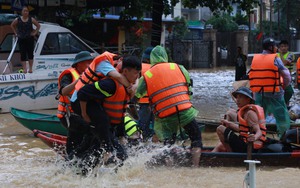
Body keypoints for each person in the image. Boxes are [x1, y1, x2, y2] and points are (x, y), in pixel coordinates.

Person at [134, 45, 202, 167]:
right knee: (196, 138)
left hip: (165, 114)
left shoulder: (147, 75)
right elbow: (188, 87)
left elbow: (138, 93)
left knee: (168, 143)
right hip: (184, 110)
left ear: (151, 59)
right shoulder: (178, 67)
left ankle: (170, 169)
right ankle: (195, 167)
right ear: (165, 56)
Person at [76, 55, 141, 172]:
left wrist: (122, 136)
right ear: (125, 71)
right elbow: (82, 93)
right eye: (136, 73)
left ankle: (79, 174)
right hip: (99, 125)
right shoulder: (110, 84)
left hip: (108, 128)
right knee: (120, 156)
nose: (137, 77)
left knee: (91, 156)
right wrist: (84, 114)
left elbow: (121, 113)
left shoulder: (127, 87)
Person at [249, 37, 291, 138]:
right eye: (275, 46)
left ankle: (260, 137)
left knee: (260, 116)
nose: (276, 48)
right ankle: (284, 138)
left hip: (259, 94)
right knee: (282, 118)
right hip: (275, 93)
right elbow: (286, 76)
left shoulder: (255, 58)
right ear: (271, 47)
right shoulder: (275, 58)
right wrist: (285, 86)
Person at [56, 51, 94, 156]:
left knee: (77, 138)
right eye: (88, 63)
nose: (90, 65)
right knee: (89, 131)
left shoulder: (91, 75)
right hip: (69, 115)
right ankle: (77, 156)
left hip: (81, 114)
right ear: (79, 64)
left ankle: (73, 157)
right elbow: (63, 91)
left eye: (91, 62)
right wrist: (78, 81)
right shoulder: (69, 74)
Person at [212, 86, 267, 152]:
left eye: (240, 97)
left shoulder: (250, 113)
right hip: (244, 143)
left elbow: (259, 132)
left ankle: (231, 154)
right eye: (237, 97)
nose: (237, 100)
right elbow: (241, 129)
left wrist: (254, 137)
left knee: (220, 128)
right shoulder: (244, 111)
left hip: (249, 147)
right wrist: (228, 123)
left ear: (248, 99)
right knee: (219, 146)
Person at [11, 6, 40, 73]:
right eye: (24, 11)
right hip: (21, 38)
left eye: (27, 11)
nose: (26, 12)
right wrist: (16, 33)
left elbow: (38, 26)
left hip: (29, 38)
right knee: (23, 54)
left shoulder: (31, 19)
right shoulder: (18, 19)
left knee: (30, 54)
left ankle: (30, 68)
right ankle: (24, 69)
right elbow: (12, 25)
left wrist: (35, 32)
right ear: (22, 12)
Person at [137, 47, 155, 140]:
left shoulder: (139, 67)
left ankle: (143, 142)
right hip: (156, 102)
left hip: (143, 101)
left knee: (143, 125)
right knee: (156, 126)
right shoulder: (156, 68)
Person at [277, 40, 295, 107]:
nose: (283, 48)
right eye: (282, 46)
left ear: (288, 47)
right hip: (278, 78)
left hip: (287, 79)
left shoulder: (290, 55)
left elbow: (284, 63)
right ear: (279, 47)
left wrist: (280, 54)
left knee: (289, 92)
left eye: (285, 46)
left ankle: (284, 105)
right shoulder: (276, 55)